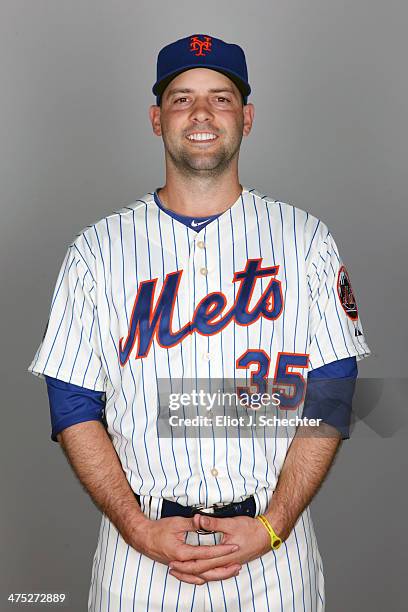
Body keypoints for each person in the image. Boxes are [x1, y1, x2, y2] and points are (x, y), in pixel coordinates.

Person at [28, 33, 371, 611]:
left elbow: (332, 390)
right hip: (139, 556)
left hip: (272, 554)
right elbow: (72, 402)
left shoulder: (305, 240)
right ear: (157, 117)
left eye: (222, 97)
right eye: (183, 98)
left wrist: (273, 524)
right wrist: (138, 529)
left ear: (248, 117)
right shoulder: (98, 250)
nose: (202, 114)